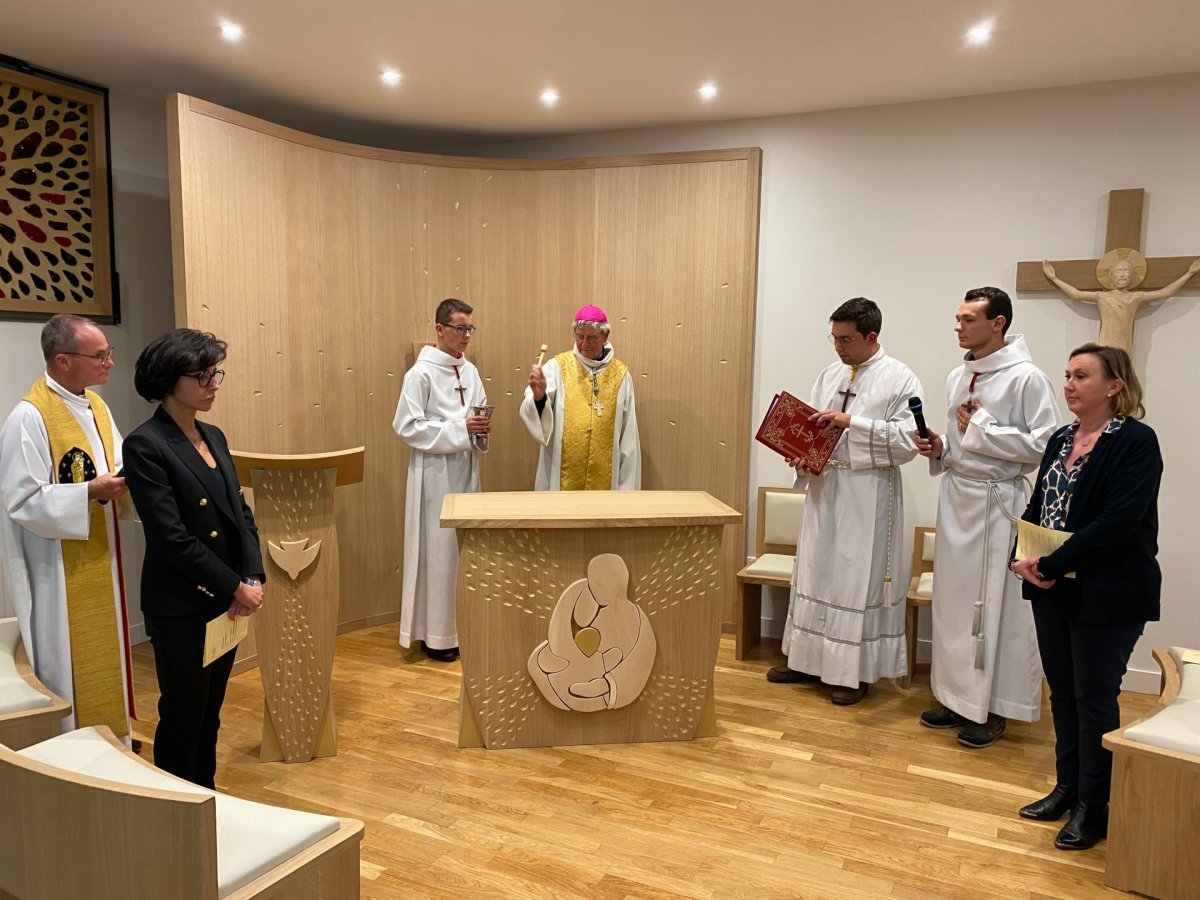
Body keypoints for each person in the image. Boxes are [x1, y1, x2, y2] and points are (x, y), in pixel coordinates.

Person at [1012, 344, 1161, 851]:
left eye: (1082, 376)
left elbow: (1117, 523)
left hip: (1109, 590)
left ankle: (1094, 808)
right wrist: (1022, 554)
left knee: (1094, 698)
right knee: (1062, 693)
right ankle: (1067, 788)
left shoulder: (1136, 442)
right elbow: (1038, 505)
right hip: (1052, 588)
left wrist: (1051, 564)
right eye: (1067, 375)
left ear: (1114, 386)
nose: (1069, 384)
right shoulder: (1060, 437)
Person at [916, 287, 1061, 748]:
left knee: (996, 608)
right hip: (958, 497)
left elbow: (1045, 446)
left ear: (998, 323)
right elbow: (961, 441)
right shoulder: (959, 377)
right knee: (956, 604)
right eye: (957, 319)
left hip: (999, 505)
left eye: (967, 319)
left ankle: (995, 709)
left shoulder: (1027, 378)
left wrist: (980, 428)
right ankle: (957, 697)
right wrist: (941, 448)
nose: (957, 327)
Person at [122, 329, 265, 788]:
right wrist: (233, 585)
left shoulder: (214, 435)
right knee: (183, 714)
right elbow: (171, 538)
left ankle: (207, 797)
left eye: (215, 372)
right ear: (168, 380)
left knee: (211, 713)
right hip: (181, 603)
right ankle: (178, 814)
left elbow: (240, 512)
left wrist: (252, 575)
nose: (213, 383)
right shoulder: (146, 444)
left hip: (226, 599)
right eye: (202, 375)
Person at [768, 298, 922, 705]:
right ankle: (806, 660)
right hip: (826, 488)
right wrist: (801, 455)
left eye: (847, 339)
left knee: (854, 578)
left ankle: (852, 673)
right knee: (816, 570)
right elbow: (817, 432)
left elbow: (908, 442)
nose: (838, 347)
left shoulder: (900, 378)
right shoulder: (830, 373)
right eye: (834, 338)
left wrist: (851, 421)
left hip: (867, 492)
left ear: (872, 336)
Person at [0, 313, 134, 740]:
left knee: (105, 654)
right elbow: (21, 500)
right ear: (63, 360)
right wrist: (89, 492)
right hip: (56, 569)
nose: (109, 363)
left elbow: (114, 465)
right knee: (67, 658)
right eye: (100, 356)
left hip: (99, 552)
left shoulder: (95, 405)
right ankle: (73, 746)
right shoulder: (29, 416)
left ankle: (112, 739)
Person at [394, 298, 490, 662]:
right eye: (460, 328)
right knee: (438, 552)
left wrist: (479, 429)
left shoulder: (471, 371)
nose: (466, 336)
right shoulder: (420, 373)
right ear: (439, 329)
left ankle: (460, 627)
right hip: (434, 474)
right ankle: (436, 636)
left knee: (462, 551)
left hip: (465, 468)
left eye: (470, 329)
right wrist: (459, 429)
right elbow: (406, 426)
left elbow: (476, 413)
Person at [520, 305, 640, 490]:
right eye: (579, 336)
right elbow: (535, 414)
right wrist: (539, 397)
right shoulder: (557, 368)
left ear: (605, 336)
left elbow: (628, 435)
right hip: (562, 477)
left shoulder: (621, 376)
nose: (584, 344)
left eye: (591, 337)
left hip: (606, 479)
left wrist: (627, 486)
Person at [1041, 253, 1200, 354]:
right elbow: (1076, 294)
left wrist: (1189, 273)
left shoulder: (1136, 297)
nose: (1123, 274)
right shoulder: (1102, 297)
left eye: (1126, 271)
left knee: (1122, 385)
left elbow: (1165, 292)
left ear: (1132, 277)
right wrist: (1054, 278)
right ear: (1110, 276)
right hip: (1104, 347)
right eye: (1119, 271)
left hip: (1124, 348)